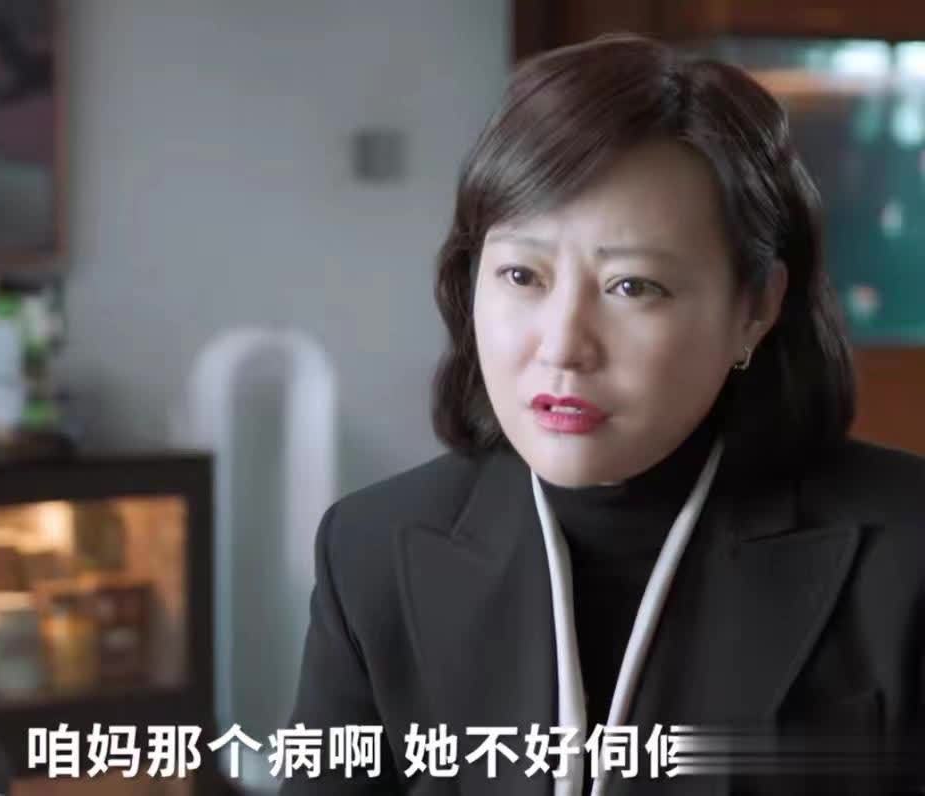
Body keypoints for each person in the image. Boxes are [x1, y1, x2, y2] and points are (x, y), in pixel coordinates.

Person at [281, 34, 924, 795]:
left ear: (755, 307)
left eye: (632, 287)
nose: (563, 345)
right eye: (522, 275)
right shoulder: (370, 552)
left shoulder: (906, 553)